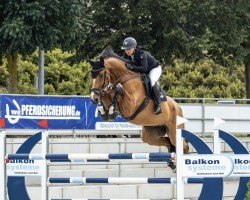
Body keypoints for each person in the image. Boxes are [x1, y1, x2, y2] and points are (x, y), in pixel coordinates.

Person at [121, 37, 162, 115]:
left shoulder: (142, 53)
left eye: (129, 49)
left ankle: (158, 105)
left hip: (154, 69)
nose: (127, 51)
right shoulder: (125, 55)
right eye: (126, 49)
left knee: (152, 80)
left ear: (134, 47)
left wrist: (131, 67)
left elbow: (143, 68)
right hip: (142, 71)